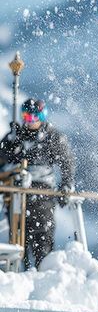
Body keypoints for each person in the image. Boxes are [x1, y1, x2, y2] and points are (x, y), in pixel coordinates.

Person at [0, 98, 76, 269]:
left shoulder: (52, 137)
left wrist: (66, 184)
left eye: (35, 117)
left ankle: (43, 272)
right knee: (18, 240)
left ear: (43, 116)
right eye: (27, 117)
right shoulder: (16, 137)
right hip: (17, 194)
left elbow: (67, 162)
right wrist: (10, 146)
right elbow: (2, 161)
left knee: (42, 238)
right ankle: (20, 272)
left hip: (43, 195)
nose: (31, 121)